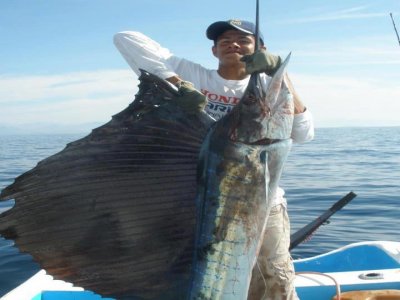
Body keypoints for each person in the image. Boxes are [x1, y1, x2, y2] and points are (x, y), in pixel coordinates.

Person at [114, 19, 314, 300]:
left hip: (264, 206)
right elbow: (126, 37)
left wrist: (280, 72)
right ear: (214, 51)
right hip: (197, 205)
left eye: (243, 40)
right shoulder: (192, 75)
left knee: (276, 282)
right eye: (224, 41)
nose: (233, 44)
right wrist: (177, 84)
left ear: (261, 49)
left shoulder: (271, 87)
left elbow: (304, 133)